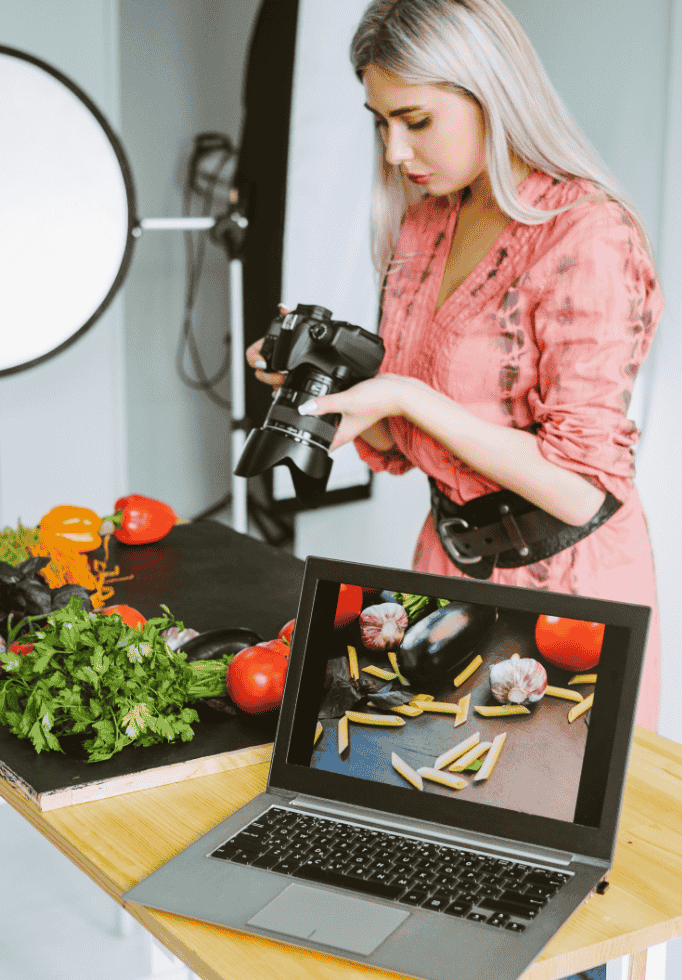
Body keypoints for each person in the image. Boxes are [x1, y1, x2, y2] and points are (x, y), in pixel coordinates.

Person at [246, 0, 663, 742]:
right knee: (431, 781)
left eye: (416, 121)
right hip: (448, 562)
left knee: (540, 801)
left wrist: (405, 395)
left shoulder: (586, 235)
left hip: (570, 594)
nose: (394, 152)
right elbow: (411, 444)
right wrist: (329, 391)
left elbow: (581, 490)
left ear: (490, 94)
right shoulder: (427, 220)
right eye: (381, 123)